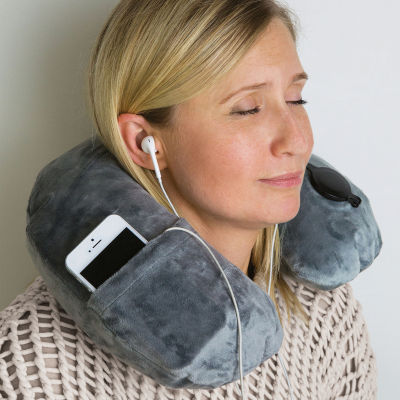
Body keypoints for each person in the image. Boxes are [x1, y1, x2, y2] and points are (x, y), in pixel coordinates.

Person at [0, 0, 377, 398]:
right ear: (144, 143)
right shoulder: (32, 366)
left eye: (296, 99)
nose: (298, 141)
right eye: (247, 109)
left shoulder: (323, 309)